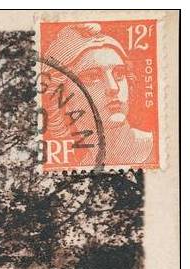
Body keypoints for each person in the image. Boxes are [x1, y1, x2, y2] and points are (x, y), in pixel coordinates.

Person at [43, 23, 155, 166]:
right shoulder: (80, 171)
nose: (113, 88)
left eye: (119, 74)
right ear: (62, 95)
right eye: (92, 77)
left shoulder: (163, 146)